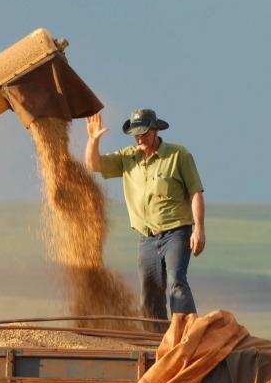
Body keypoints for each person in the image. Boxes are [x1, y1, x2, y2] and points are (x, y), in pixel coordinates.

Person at [84, 109, 205, 323]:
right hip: (146, 238)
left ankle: (187, 333)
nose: (139, 137)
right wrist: (93, 140)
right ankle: (156, 343)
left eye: (144, 133)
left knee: (176, 281)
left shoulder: (178, 155)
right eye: (136, 134)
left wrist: (199, 229)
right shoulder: (128, 157)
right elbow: (93, 165)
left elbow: (195, 192)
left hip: (176, 233)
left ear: (155, 130)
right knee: (150, 293)